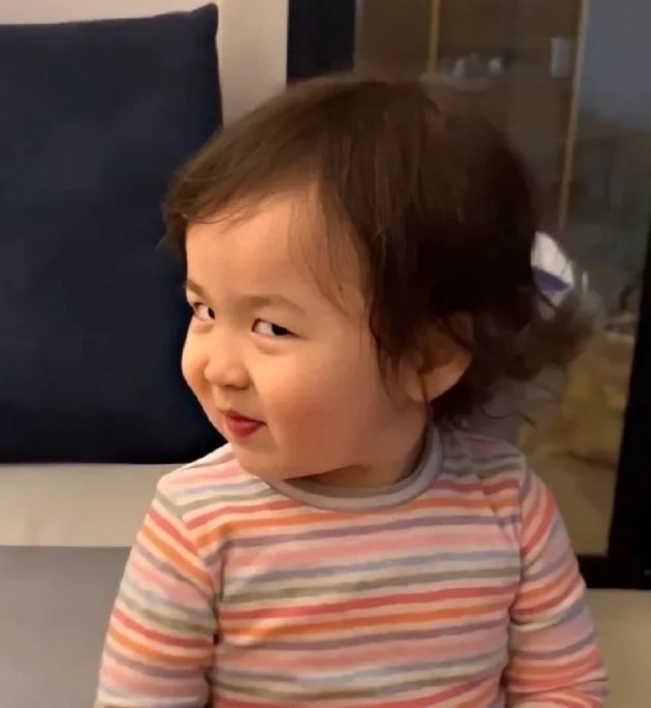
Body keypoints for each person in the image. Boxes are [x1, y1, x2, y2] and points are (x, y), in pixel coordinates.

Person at [95, 76, 608, 707]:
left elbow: (566, 687)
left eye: (271, 327)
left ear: (428, 358)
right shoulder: (196, 523)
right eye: (204, 310)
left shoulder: (509, 505)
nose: (218, 367)